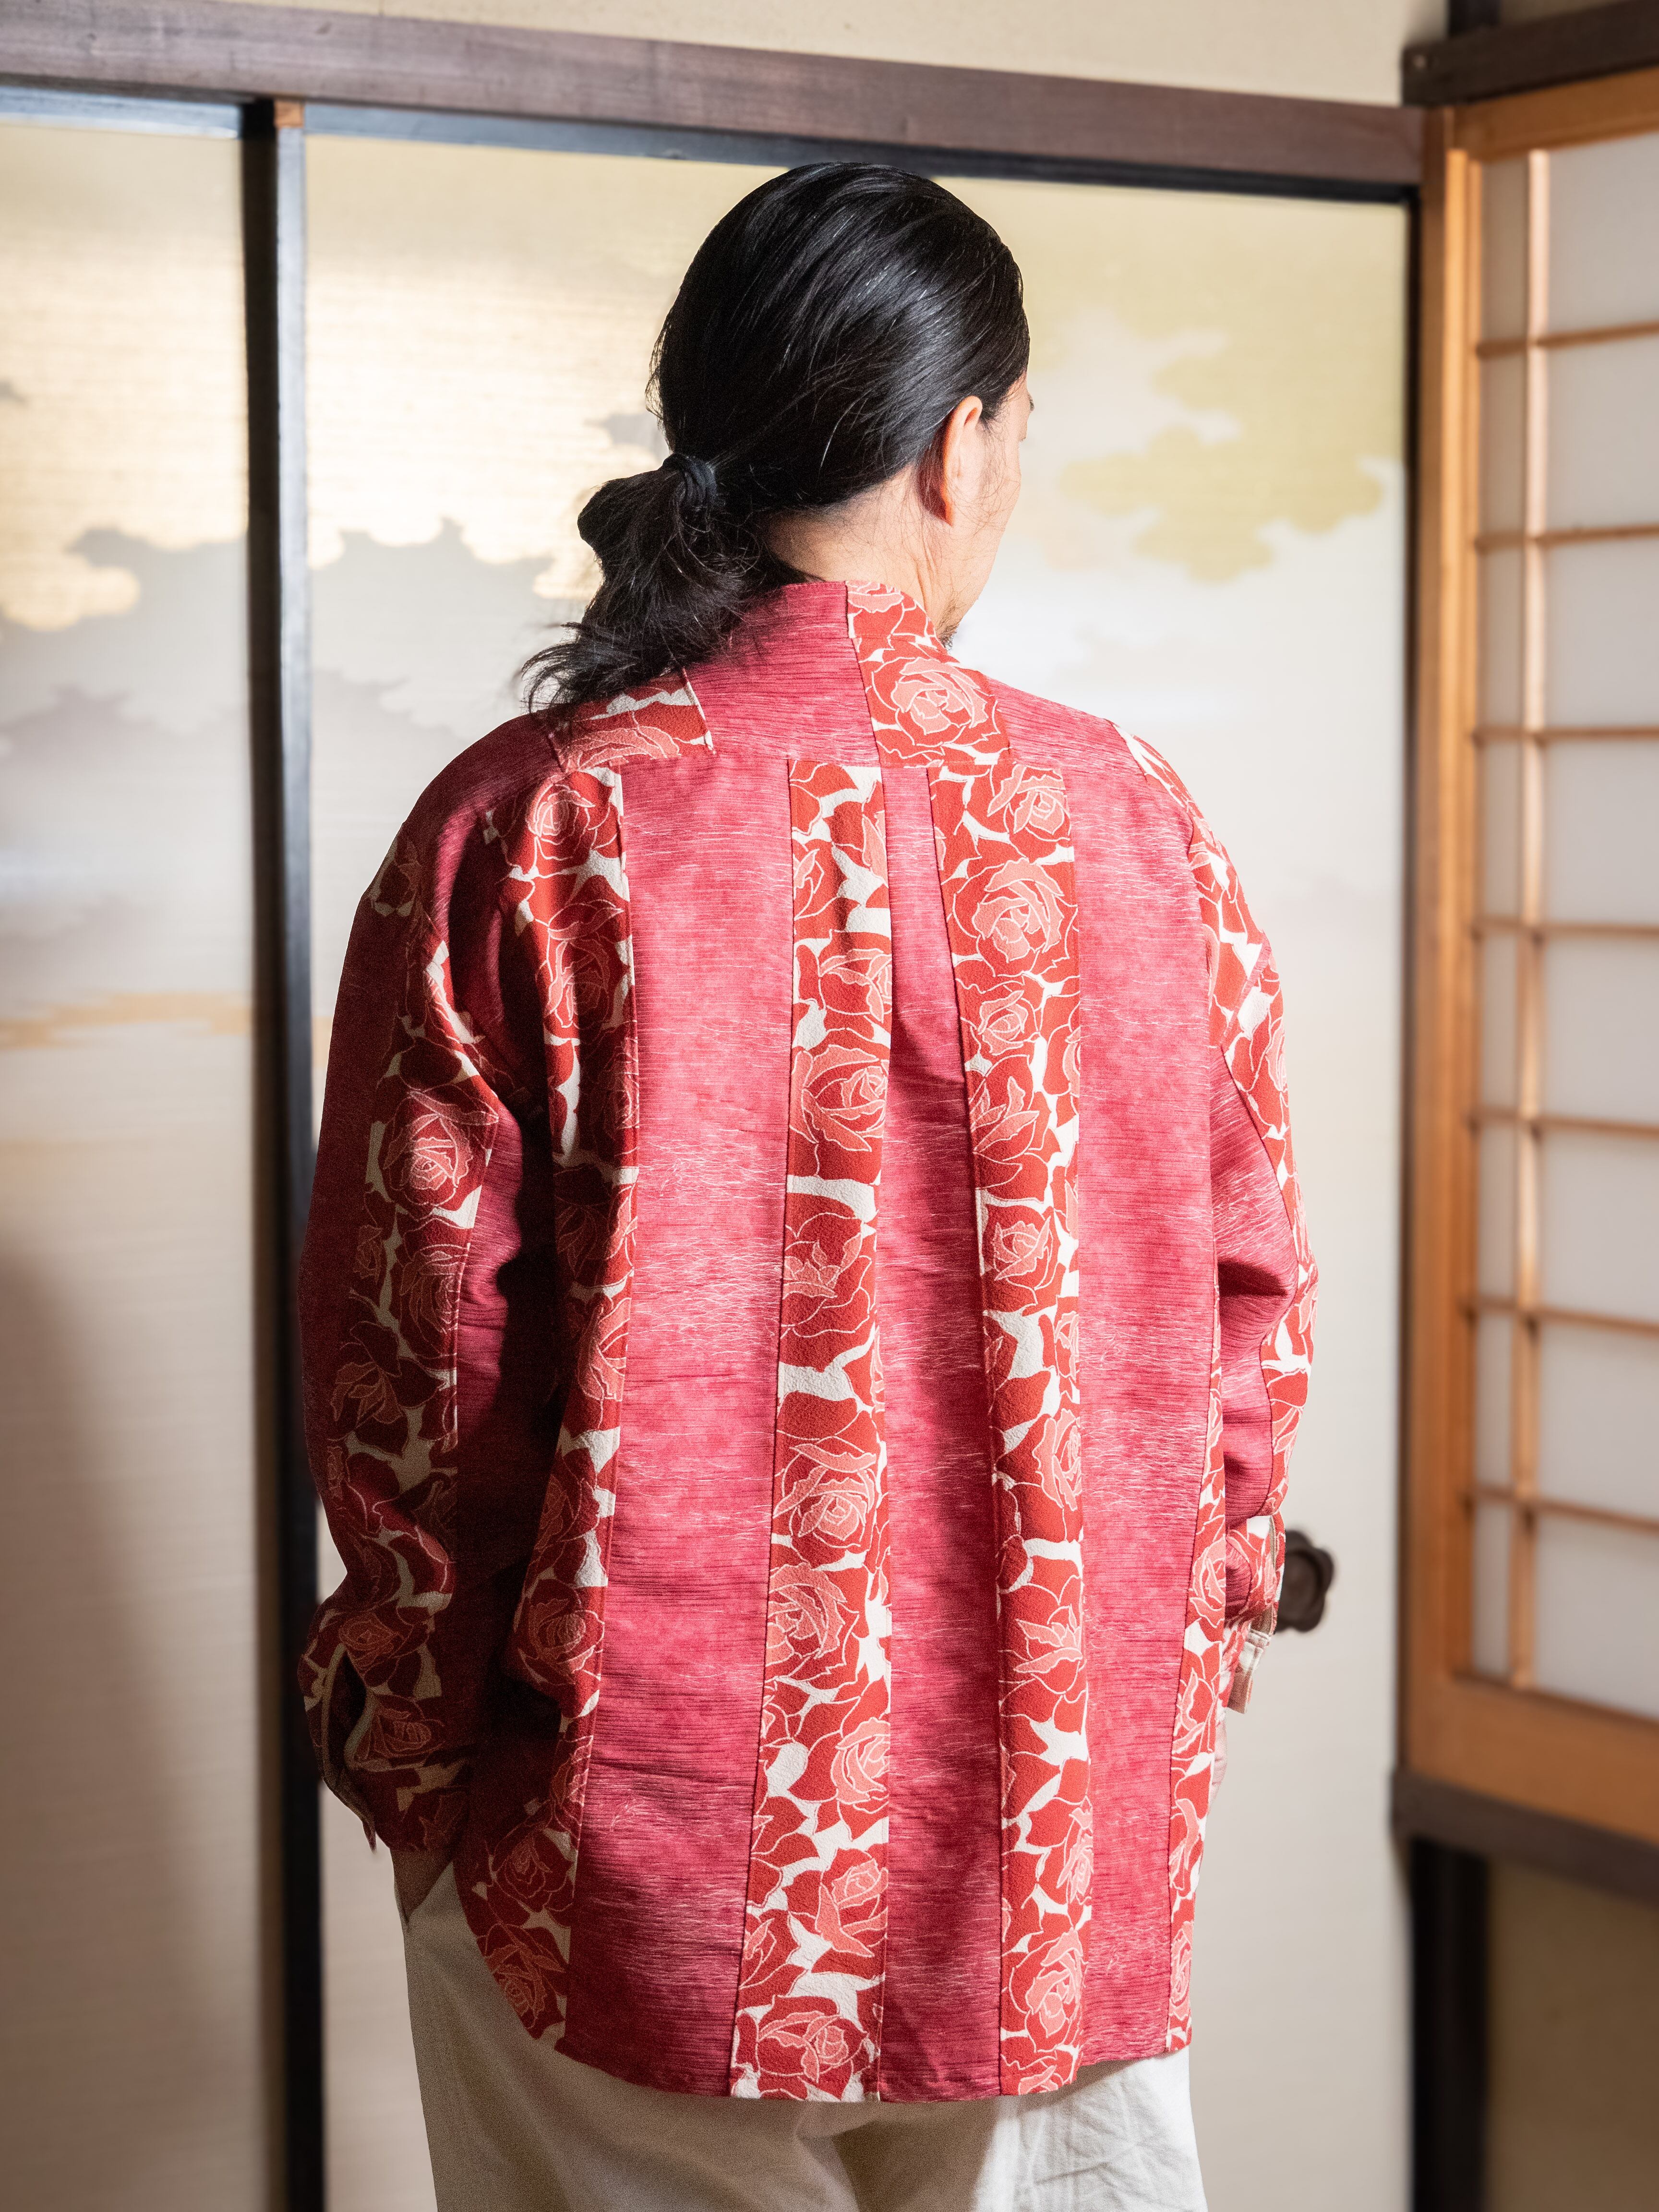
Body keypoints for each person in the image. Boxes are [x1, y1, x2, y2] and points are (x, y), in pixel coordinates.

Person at [299, 162, 1315, 2212]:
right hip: (1053, 1858)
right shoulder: (1134, 823)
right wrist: (1188, 1636)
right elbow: (1250, 1303)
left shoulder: (535, 828)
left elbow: (417, 1369)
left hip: (626, 1860)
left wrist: (418, 1751)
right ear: (961, 446)